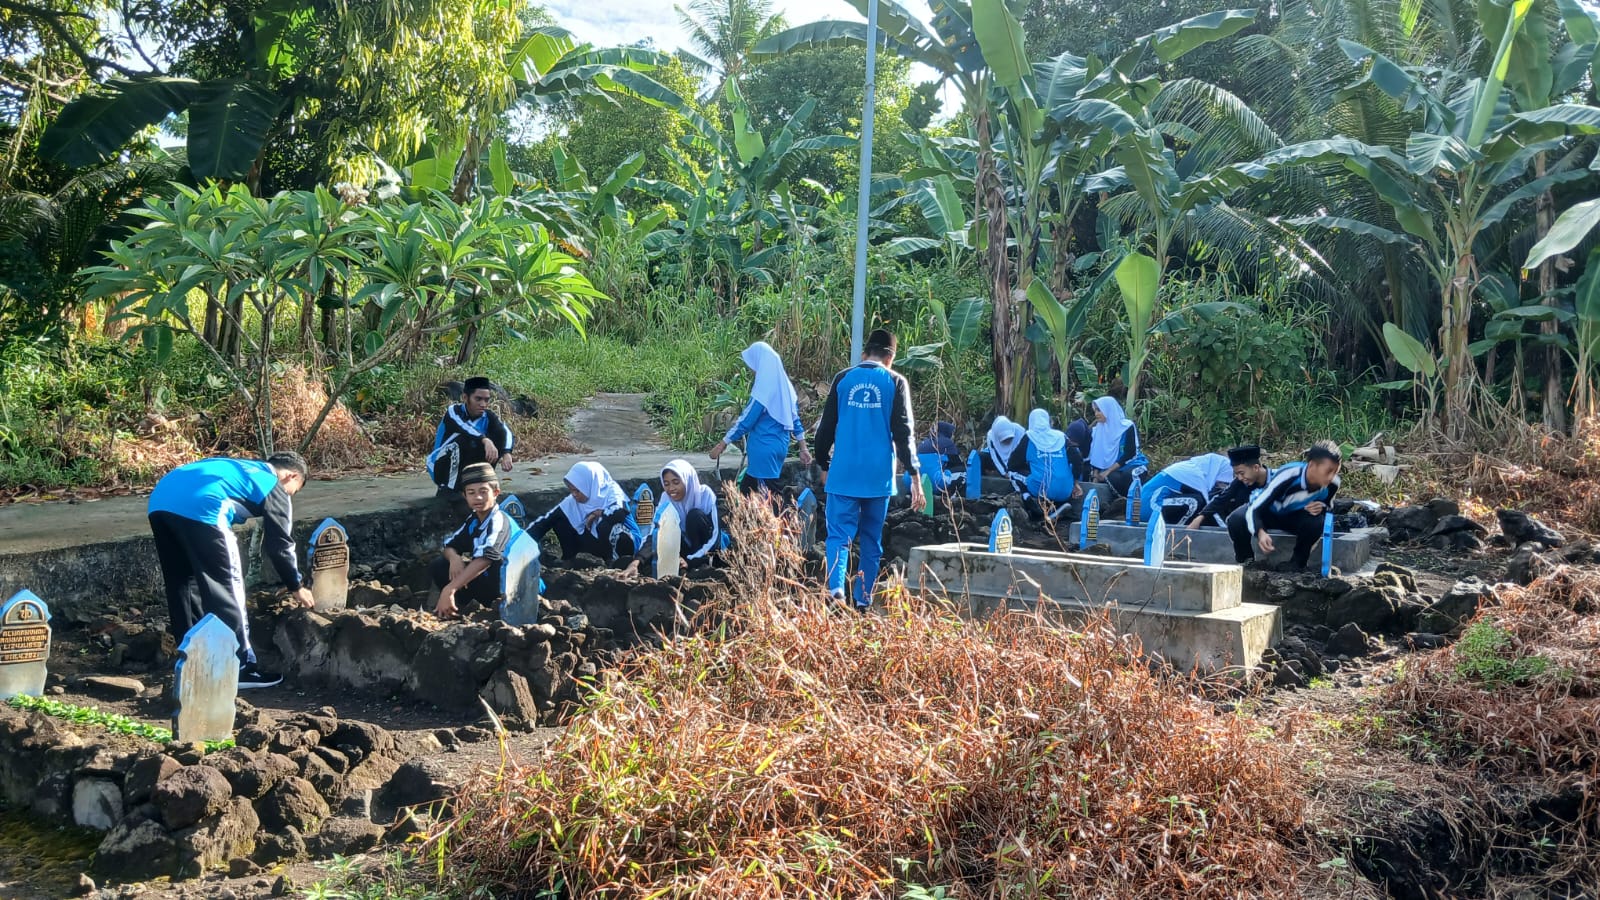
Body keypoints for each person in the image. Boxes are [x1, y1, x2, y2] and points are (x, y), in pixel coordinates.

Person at [147, 453, 314, 689]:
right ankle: (240, 667)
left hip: (161, 501)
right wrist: (296, 585)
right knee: (228, 587)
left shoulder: (238, 466)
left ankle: (192, 662)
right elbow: (280, 544)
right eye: (293, 491)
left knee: (183, 585)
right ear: (291, 475)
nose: (289, 497)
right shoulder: (272, 483)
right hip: (204, 506)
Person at [813, 328, 923, 609]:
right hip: (878, 478)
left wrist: (823, 463)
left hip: (844, 474)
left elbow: (825, 429)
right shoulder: (895, 382)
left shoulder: (843, 379)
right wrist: (915, 476)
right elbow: (904, 432)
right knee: (872, 540)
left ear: (864, 353)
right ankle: (863, 601)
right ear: (891, 357)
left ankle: (836, 590)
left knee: (838, 536)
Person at [711, 342, 813, 495]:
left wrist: (723, 443)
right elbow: (796, 421)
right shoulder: (786, 389)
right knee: (747, 491)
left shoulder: (763, 389)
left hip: (763, 449)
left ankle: (785, 517)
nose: (752, 369)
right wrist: (803, 447)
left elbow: (746, 420)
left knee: (770, 498)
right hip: (779, 447)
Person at [1227, 440, 1342, 571]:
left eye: (1335, 472)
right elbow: (1256, 508)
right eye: (1328, 472)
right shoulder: (1289, 475)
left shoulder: (1333, 484)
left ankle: (1297, 563)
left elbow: (1329, 507)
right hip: (1269, 511)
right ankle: (1246, 561)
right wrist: (1260, 531)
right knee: (1236, 519)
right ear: (1312, 466)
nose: (1331, 477)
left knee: (1316, 522)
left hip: (1295, 516)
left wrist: (1322, 507)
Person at [432, 463, 520, 619]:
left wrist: (450, 588)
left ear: (496, 493)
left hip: (516, 587)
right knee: (440, 565)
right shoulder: (473, 520)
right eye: (471, 493)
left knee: (492, 562)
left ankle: (490, 613)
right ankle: (459, 609)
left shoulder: (499, 520)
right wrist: (454, 558)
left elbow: (487, 558)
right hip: (490, 584)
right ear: (465, 496)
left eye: (483, 491)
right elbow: (449, 545)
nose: (477, 497)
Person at [526, 461, 639, 563]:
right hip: (596, 543)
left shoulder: (612, 492)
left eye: (577, 490)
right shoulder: (572, 501)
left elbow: (619, 514)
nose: (574, 495)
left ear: (589, 485)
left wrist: (598, 513)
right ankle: (570, 560)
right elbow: (545, 521)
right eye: (571, 490)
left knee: (606, 525)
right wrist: (523, 541)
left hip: (624, 542)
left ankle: (618, 562)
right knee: (559, 520)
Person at [626, 459, 723, 575]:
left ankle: (695, 565)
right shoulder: (666, 499)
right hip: (684, 551)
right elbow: (656, 534)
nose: (671, 488)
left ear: (687, 480)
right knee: (667, 530)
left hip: (709, 553)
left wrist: (691, 561)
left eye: (676, 482)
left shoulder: (705, 495)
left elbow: (715, 537)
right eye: (666, 484)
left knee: (694, 516)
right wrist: (636, 562)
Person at [427, 377, 515, 492]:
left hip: (467, 466)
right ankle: (449, 490)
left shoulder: (488, 416)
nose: (483, 404)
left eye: (486, 400)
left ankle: (482, 483)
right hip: (442, 467)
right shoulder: (453, 411)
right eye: (478, 399)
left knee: (496, 438)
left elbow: (505, 431)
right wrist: (485, 440)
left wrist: (506, 452)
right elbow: (465, 428)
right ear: (465, 397)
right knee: (464, 440)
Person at [1009, 409, 1083, 524]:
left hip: (1041, 490)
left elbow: (1012, 464)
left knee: (1012, 474)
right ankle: (1060, 506)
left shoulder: (1029, 437)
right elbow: (1078, 459)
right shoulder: (1061, 437)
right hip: (1066, 490)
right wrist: (1076, 482)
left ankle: (1028, 500)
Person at [1188, 445, 1271, 529]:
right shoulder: (1239, 482)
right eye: (1236, 474)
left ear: (1256, 467)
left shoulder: (1278, 480)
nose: (1240, 478)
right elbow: (1221, 499)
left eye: (1242, 473)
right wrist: (1200, 517)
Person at [1140, 452, 1233, 525]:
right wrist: (1228, 534)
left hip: (1157, 506)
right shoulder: (1193, 474)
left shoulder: (1194, 469)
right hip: (1151, 507)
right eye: (1222, 482)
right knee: (1195, 502)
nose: (1221, 486)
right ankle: (1178, 537)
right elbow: (1210, 510)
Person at [1086, 396, 1148, 496]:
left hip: (1132, 464)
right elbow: (1097, 454)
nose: (1096, 414)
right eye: (1095, 411)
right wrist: (1095, 475)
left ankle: (1133, 504)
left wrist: (1108, 470)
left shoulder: (1126, 427)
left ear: (1108, 410)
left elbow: (1129, 453)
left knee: (1128, 476)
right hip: (1112, 469)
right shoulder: (1097, 430)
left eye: (1099, 410)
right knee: (1109, 478)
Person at [916, 421, 964, 492]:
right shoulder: (947, 442)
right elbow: (957, 461)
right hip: (936, 482)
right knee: (963, 472)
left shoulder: (923, 443)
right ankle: (952, 495)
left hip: (914, 483)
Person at [983, 416, 1025, 481]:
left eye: (1010, 438)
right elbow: (995, 457)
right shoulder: (991, 436)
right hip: (1000, 463)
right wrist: (1004, 473)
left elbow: (1023, 453)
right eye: (1005, 439)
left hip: (1018, 461)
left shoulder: (1020, 431)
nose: (1008, 441)